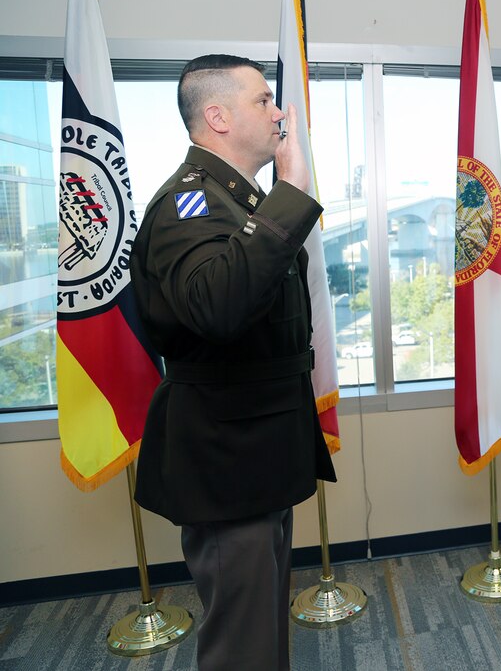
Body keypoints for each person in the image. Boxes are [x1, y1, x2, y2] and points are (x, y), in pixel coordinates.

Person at [130, 54, 336, 671]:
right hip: (226, 461)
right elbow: (217, 307)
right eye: (264, 100)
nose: (279, 113)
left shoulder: (234, 200)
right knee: (241, 648)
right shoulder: (186, 205)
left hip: (258, 450)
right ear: (216, 117)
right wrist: (290, 195)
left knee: (264, 632)